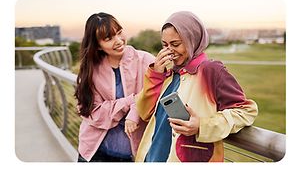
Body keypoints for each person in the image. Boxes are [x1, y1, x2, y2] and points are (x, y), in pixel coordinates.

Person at [135, 11, 258, 162]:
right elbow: (144, 112)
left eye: (175, 44)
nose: (169, 51)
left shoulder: (211, 70)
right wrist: (155, 75)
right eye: (165, 45)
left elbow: (246, 111)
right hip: (152, 158)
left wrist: (202, 125)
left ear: (192, 40)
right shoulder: (169, 74)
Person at [75, 12, 155, 162]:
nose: (118, 41)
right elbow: (93, 113)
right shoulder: (90, 70)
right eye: (108, 38)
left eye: (119, 33)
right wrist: (133, 100)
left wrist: (135, 109)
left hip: (133, 155)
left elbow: (155, 94)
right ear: (97, 46)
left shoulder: (146, 60)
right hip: (94, 153)